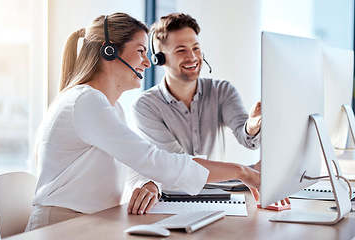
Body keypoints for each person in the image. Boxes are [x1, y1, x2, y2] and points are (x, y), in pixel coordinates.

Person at [25, 12, 261, 231]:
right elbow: (154, 160)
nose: (147, 63)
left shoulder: (111, 107)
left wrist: (151, 184)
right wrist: (242, 172)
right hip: (61, 227)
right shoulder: (86, 102)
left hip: (89, 222)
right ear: (109, 52)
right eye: (140, 51)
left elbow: (133, 167)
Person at [129, 13, 261, 191]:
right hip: (173, 198)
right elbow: (183, 167)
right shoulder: (145, 106)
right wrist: (244, 172)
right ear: (159, 58)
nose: (192, 57)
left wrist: (251, 126)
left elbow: (249, 141)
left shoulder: (222, 90)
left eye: (196, 48)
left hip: (218, 194)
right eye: (181, 50)